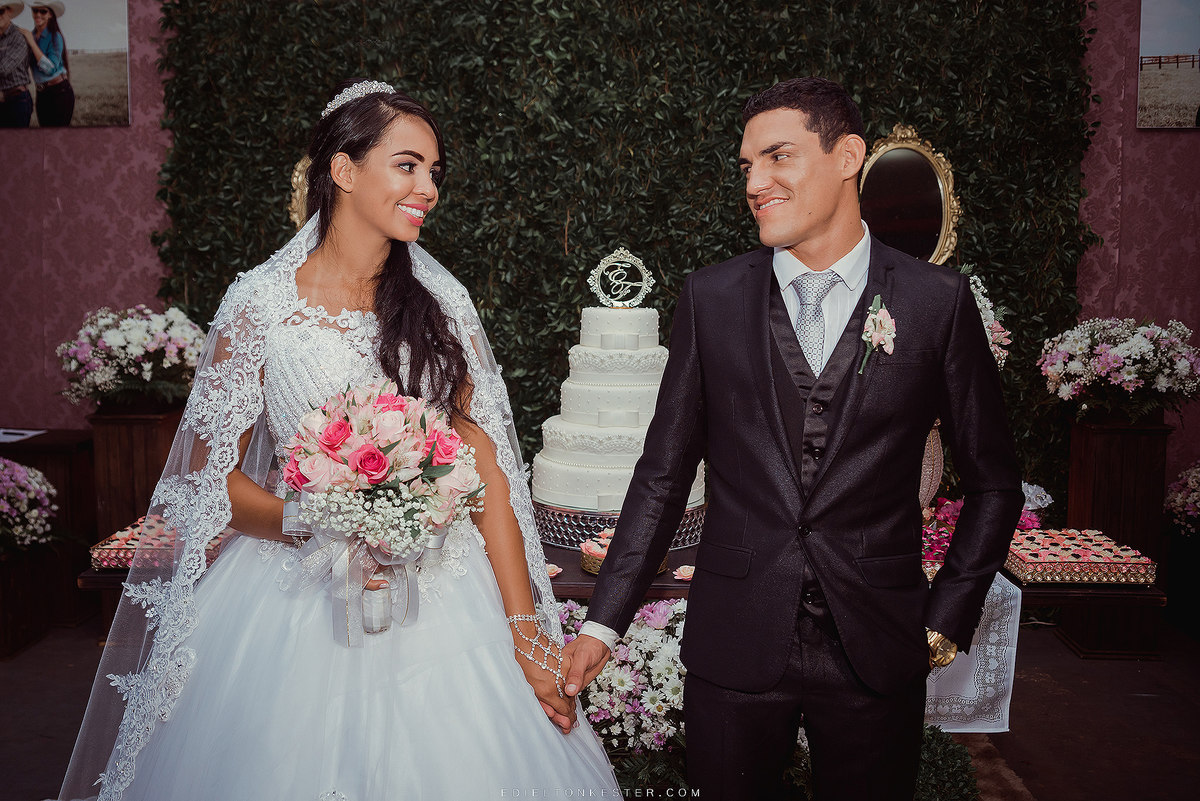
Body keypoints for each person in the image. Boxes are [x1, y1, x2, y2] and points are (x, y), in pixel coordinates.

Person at [58, 81, 619, 801]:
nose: (428, 188)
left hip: (447, 596)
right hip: (295, 599)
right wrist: (315, 519)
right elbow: (211, 481)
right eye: (408, 165)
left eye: (435, 172)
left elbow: (487, 470)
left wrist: (524, 630)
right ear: (344, 170)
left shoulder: (442, 304)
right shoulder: (259, 304)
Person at [563, 77, 1023, 800]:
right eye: (747, 165)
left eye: (778, 157)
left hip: (878, 644)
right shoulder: (710, 297)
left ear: (848, 156)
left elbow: (995, 484)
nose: (756, 183)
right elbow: (663, 474)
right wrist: (603, 623)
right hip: (735, 641)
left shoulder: (936, 302)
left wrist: (945, 617)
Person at [29, 1, 72, 126]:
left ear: (50, 15)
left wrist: (32, 44)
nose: (38, 14)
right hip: (41, 93)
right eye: (35, 10)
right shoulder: (31, 36)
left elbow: (50, 69)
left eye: (43, 11)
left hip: (59, 93)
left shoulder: (55, 37)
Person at [0, 2, 33, 127]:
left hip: (17, 100)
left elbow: (3, 69)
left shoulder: (18, 36)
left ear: (10, 12)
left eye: (0, 11)